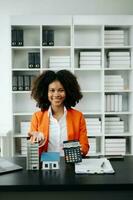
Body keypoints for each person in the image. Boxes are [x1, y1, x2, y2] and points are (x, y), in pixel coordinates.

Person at [28, 69, 89, 156]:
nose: (56, 95)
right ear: (45, 92)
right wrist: (36, 142)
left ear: (68, 92)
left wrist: (80, 150)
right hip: (47, 163)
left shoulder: (78, 116)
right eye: (52, 90)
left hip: (70, 164)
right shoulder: (37, 117)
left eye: (61, 90)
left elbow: (85, 146)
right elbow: (33, 150)